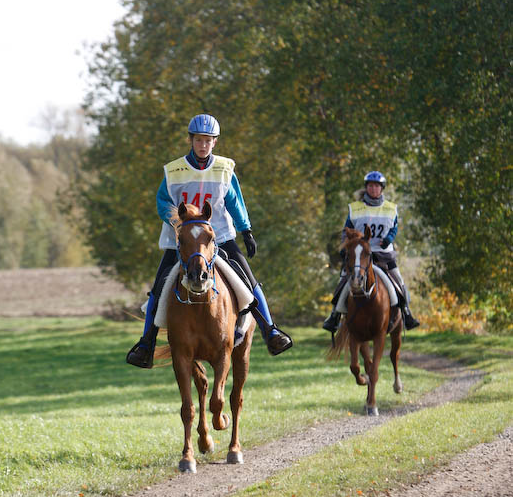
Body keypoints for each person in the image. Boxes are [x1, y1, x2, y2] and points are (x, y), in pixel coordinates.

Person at [126, 113, 293, 368]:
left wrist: (246, 230)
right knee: (159, 288)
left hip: (220, 238)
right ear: (190, 140)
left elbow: (234, 200)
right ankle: (146, 344)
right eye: (198, 140)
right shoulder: (173, 170)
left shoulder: (225, 168)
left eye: (208, 140)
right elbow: (162, 201)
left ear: (214, 142)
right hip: (181, 242)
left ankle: (270, 331)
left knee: (248, 282)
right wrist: (176, 223)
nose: (203, 145)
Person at [322, 170, 420, 332]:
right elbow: (347, 230)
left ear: (382, 188)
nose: (373, 189)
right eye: (370, 186)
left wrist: (389, 239)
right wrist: (344, 247)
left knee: (399, 282)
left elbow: (394, 227)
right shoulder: (355, 208)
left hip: (384, 254)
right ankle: (334, 316)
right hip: (359, 255)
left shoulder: (390, 208)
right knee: (343, 281)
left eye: (377, 186)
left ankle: (407, 314)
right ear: (366, 188)